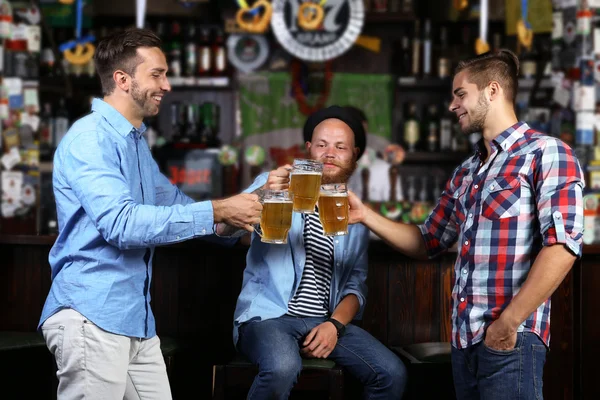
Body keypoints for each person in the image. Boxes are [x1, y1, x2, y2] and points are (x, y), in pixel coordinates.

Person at [346, 49, 584, 399]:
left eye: (460, 94)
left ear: (492, 91)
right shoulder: (466, 171)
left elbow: (563, 246)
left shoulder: (546, 153)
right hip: (464, 343)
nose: (452, 105)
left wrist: (508, 323)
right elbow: (428, 240)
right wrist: (365, 214)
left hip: (511, 342)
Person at [38, 28, 262, 400]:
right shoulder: (90, 139)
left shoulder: (135, 143)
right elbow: (121, 225)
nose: (167, 85)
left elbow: (179, 210)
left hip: (134, 321)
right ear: (122, 80)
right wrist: (221, 208)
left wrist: (250, 201)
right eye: (157, 74)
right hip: (91, 316)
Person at [227, 106, 407, 399]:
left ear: (355, 154)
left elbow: (355, 286)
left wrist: (334, 325)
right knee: (283, 366)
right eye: (322, 145)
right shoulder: (273, 185)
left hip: (323, 321)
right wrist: (262, 195)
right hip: (268, 317)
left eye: (340, 147)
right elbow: (223, 232)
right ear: (308, 149)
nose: (330, 153)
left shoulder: (355, 214)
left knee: (391, 373)